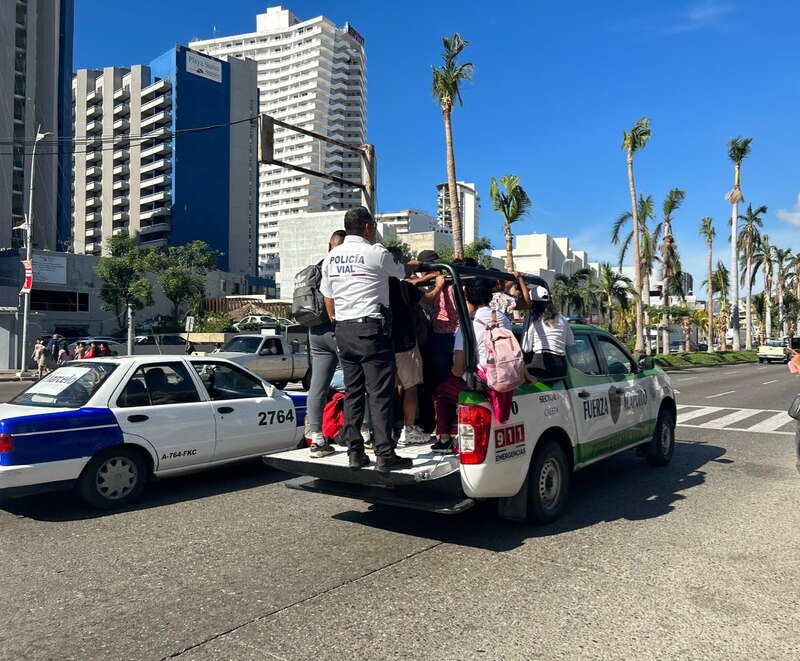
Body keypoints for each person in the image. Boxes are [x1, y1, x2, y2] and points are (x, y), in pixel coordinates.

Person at [320, 207, 418, 472]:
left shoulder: (331, 258)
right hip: (372, 331)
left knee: (352, 392)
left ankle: (355, 452)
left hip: (344, 330)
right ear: (366, 227)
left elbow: (327, 295)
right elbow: (402, 273)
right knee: (379, 394)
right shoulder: (376, 252)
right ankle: (385, 455)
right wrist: (414, 266)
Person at [431, 278, 517, 454]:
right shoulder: (501, 317)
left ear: (467, 299)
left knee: (439, 392)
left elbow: (458, 369)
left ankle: (444, 439)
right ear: (489, 297)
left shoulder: (467, 324)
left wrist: (452, 371)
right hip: (506, 375)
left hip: (482, 382)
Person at [386, 247, 446, 445]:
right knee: (411, 387)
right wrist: (437, 285)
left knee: (390, 388)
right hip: (405, 342)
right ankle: (410, 429)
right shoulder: (402, 286)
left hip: (382, 342)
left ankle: (388, 428)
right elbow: (428, 298)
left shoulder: (375, 284)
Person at [307, 229, 347, 458]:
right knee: (356, 382)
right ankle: (359, 431)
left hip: (315, 331)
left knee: (318, 387)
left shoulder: (318, 266)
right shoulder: (342, 266)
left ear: (329, 246)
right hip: (338, 329)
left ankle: (317, 438)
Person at [422, 250, 460, 389]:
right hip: (457, 334)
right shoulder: (455, 283)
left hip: (441, 335)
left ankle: (442, 405)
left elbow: (427, 300)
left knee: (441, 377)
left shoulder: (436, 286)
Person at [523, 286, 574, 379]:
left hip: (542, 363)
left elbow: (526, 348)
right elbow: (570, 342)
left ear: (532, 303)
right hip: (561, 367)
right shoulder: (561, 318)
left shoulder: (532, 318)